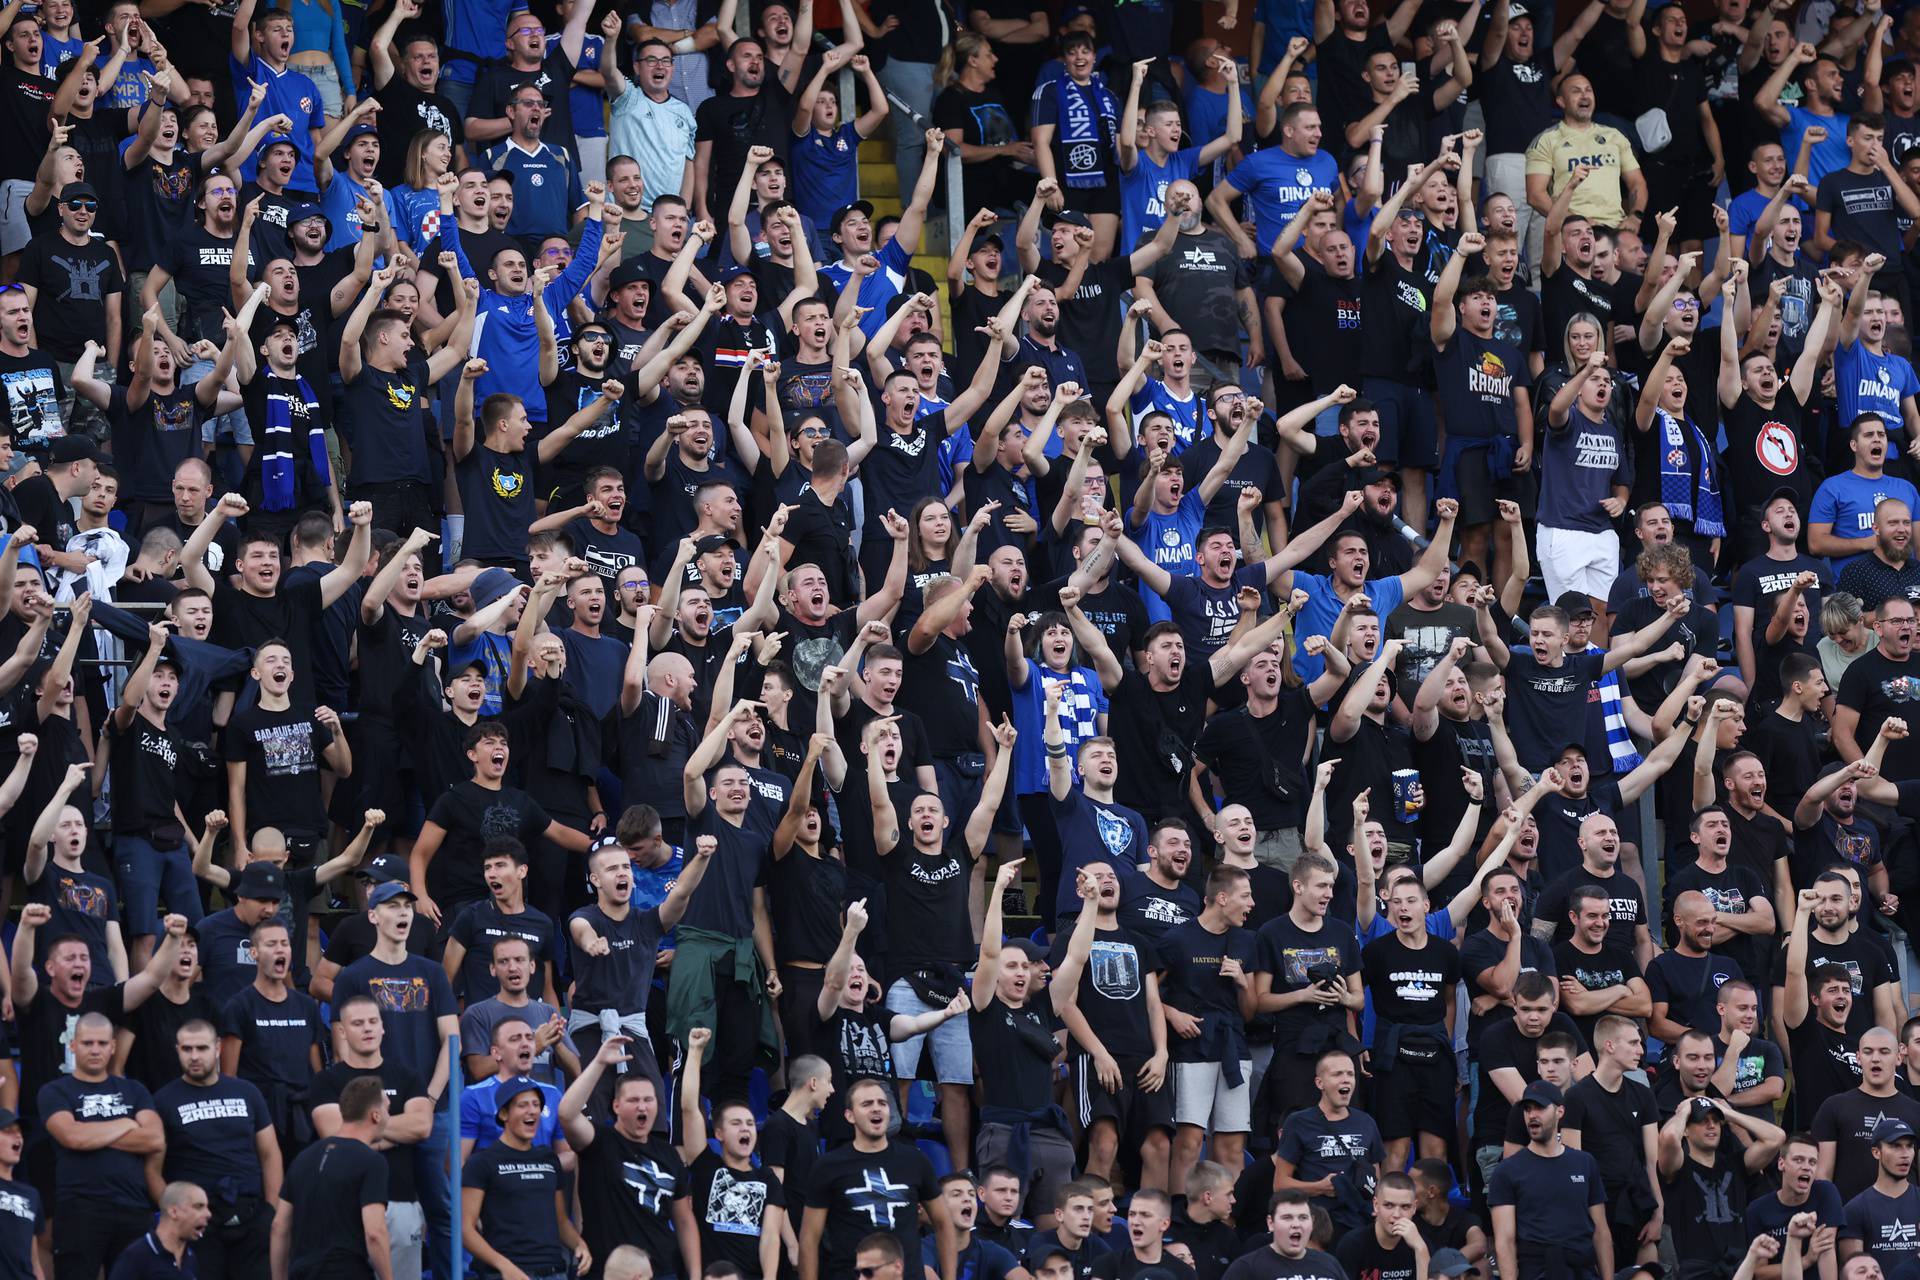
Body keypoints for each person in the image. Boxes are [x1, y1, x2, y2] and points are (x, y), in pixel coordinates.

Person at [270, 1075, 392, 1280]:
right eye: (388, 1109)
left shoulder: (303, 1158)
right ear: (376, 1115)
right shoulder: (372, 1162)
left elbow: (279, 1226)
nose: (389, 1115)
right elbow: (375, 1232)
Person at [1489, 1081, 1613, 1280]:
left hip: (1582, 1271)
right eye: (1527, 1109)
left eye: (1540, 1107)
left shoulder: (1585, 1163)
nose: (1532, 1115)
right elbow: (1505, 1241)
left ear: (1560, 1111)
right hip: (1538, 1273)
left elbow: (1601, 1232)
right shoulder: (1507, 1171)